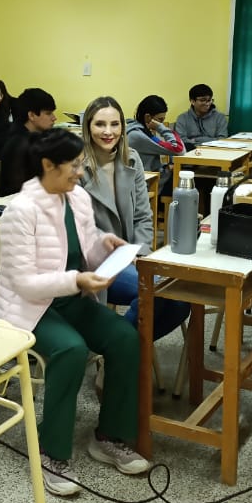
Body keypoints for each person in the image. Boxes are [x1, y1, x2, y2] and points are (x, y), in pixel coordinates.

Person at [0, 129, 149, 497]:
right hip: (29, 308)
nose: (81, 172)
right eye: (74, 165)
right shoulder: (21, 210)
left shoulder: (76, 197)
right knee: (70, 349)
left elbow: (84, 248)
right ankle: (52, 452)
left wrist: (104, 247)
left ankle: (109, 437)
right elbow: (25, 283)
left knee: (125, 338)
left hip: (68, 298)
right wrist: (77, 279)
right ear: (48, 165)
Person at [81, 97, 188, 341]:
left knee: (180, 301)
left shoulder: (132, 158)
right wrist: (120, 254)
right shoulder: (75, 165)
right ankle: (119, 348)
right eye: (100, 124)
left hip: (129, 256)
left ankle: (120, 348)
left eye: (114, 124)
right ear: (88, 127)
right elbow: (79, 228)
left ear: (123, 126)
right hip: (93, 261)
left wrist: (139, 253)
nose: (108, 132)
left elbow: (143, 215)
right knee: (156, 292)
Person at [0, 87, 58, 196]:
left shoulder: (38, 137)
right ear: (32, 115)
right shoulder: (18, 143)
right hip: (17, 200)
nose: (54, 118)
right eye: (48, 113)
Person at [125, 94, 185, 188]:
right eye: (160, 120)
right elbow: (179, 149)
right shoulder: (138, 136)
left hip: (154, 177)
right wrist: (161, 128)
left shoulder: (141, 130)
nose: (161, 123)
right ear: (148, 117)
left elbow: (170, 147)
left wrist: (170, 163)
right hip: (148, 184)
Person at [173, 83, 229, 149]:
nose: (207, 104)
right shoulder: (182, 118)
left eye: (209, 100)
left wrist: (196, 140)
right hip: (191, 151)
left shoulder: (220, 117)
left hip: (214, 150)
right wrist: (210, 140)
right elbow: (181, 141)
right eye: (202, 100)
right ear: (192, 101)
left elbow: (222, 139)